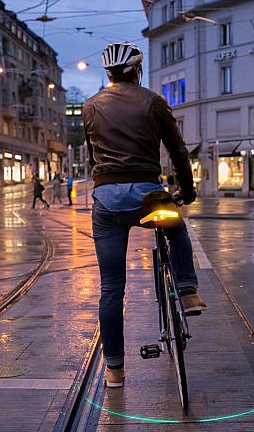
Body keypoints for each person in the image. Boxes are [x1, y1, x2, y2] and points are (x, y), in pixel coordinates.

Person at [84, 42, 207, 388]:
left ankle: (114, 370)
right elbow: (178, 150)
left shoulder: (90, 106)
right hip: (148, 198)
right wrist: (188, 189)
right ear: (137, 70)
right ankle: (187, 290)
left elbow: (94, 153)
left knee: (111, 288)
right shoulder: (154, 101)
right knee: (177, 229)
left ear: (108, 74)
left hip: (107, 201)